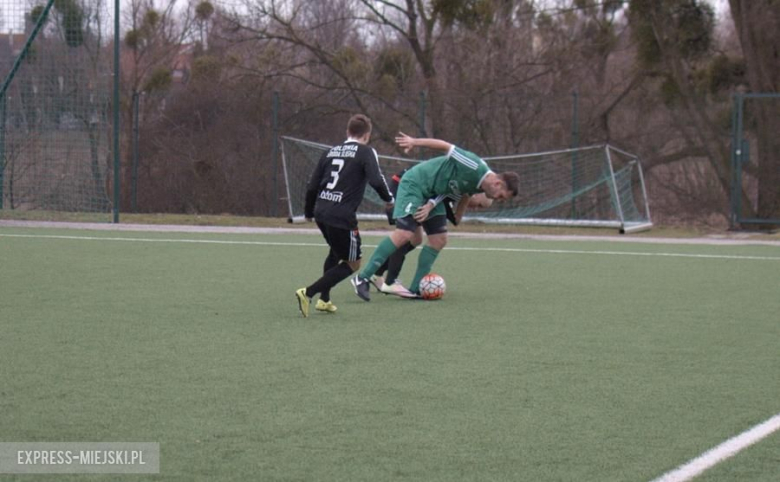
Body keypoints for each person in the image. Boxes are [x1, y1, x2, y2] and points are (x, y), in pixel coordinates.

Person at [352, 132, 520, 300]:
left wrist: (431, 205)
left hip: (433, 196)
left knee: (439, 239)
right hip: (416, 183)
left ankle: (416, 289)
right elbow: (445, 145)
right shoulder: (474, 165)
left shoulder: (480, 186)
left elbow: (447, 189)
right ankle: (362, 278)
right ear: (497, 184)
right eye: (501, 196)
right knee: (405, 233)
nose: (499, 200)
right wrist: (414, 142)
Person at [295, 114, 394, 316]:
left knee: (335, 252)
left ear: (347, 132)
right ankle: (309, 292)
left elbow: (312, 185)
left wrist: (308, 212)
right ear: (367, 135)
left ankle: (324, 300)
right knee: (353, 263)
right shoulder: (366, 152)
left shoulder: (330, 152)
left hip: (321, 211)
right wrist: (390, 199)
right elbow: (376, 180)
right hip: (342, 215)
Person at [370, 168, 492, 298]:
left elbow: (455, 218)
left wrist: (465, 200)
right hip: (404, 183)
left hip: (419, 191)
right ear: (477, 194)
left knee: (416, 240)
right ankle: (389, 282)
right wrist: (466, 197)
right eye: (479, 205)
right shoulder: (461, 185)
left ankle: (376, 275)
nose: (476, 209)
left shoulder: (461, 193)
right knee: (406, 236)